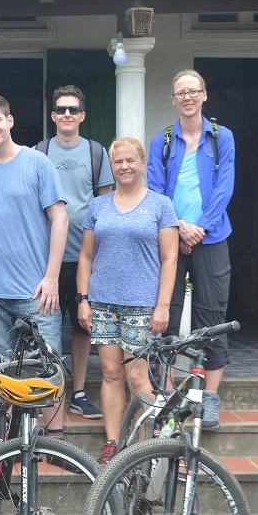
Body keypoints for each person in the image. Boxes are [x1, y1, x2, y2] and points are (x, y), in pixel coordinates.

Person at [0, 93, 70, 443]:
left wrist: (52, 278)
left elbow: (60, 219)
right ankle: (4, 446)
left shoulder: (38, 163)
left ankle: (54, 442)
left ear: (9, 121)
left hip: (36, 291)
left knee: (49, 371)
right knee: (0, 375)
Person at [77, 137, 178, 465]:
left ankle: (145, 446)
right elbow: (86, 256)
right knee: (110, 374)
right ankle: (113, 442)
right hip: (103, 303)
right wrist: (83, 299)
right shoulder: (98, 206)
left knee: (137, 377)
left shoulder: (160, 205)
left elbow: (170, 259)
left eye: (130, 160)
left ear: (143, 162)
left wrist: (163, 305)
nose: (124, 166)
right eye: (118, 161)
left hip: (142, 305)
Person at [147, 69, 235, 430]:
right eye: (180, 92)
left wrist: (201, 227)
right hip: (173, 235)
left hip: (211, 236)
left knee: (212, 316)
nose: (187, 97)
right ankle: (168, 394)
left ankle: (209, 397)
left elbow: (225, 185)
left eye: (193, 91)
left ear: (204, 95)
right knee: (166, 312)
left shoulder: (222, 137)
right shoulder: (162, 140)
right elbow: (155, 187)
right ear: (173, 99)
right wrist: (179, 225)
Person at [34, 85, 113, 420]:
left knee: (83, 328)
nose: (67, 114)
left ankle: (78, 392)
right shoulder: (38, 153)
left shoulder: (96, 152)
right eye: (61, 109)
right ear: (53, 115)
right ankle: (49, 393)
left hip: (85, 257)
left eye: (73, 110)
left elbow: (106, 203)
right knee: (46, 328)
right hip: (46, 259)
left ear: (82, 115)